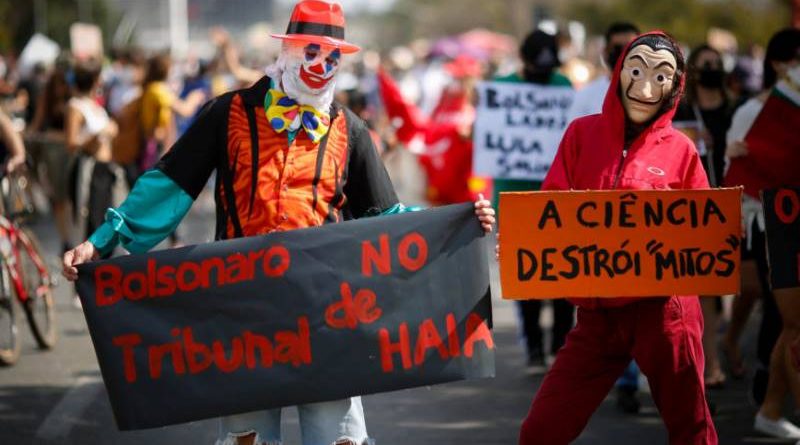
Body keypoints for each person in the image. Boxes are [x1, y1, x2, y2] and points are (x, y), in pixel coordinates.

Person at [61, 2, 496, 445]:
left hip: (330, 319)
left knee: (338, 441)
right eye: (311, 51)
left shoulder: (350, 129)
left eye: (332, 57)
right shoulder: (227, 114)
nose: (321, 65)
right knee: (245, 440)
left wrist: (460, 222)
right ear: (287, 50)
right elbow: (166, 188)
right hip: (242, 317)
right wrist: (99, 244)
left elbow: (386, 220)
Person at [516, 32, 718, 445]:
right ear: (620, 71)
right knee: (541, 431)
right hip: (597, 315)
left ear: (675, 86)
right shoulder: (580, 135)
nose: (645, 88)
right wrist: (528, 245)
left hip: (664, 314)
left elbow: (706, 233)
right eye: (638, 70)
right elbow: (550, 210)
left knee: (692, 430)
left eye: (661, 77)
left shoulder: (681, 150)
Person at [723, 27, 800, 441]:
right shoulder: (757, 110)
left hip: (783, 225)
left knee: (789, 325)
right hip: (776, 226)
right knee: (791, 323)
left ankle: (770, 407)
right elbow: (735, 174)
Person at [565, 21, 643, 414]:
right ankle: (617, 379)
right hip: (592, 226)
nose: (621, 53)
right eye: (616, 47)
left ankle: (630, 378)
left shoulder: (656, 104)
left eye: (629, 47)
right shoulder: (587, 100)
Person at [494, 29, 574, 368]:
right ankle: (534, 349)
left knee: (564, 270)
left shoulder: (564, 88)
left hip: (559, 195)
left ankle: (559, 344)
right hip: (515, 196)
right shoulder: (502, 90)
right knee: (525, 273)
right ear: (524, 61)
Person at [673, 44, 734, 393]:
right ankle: (710, 362)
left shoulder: (735, 109)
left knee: (746, 287)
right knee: (708, 289)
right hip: (698, 208)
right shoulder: (682, 111)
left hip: (738, 201)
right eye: (705, 63)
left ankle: (730, 338)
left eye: (717, 63)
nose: (712, 68)